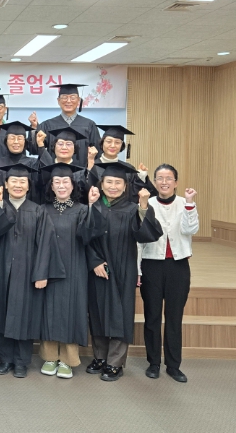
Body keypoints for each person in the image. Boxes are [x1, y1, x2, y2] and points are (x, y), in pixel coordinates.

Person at [85, 161, 163, 382]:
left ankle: (115, 363)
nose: (113, 186)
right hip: (98, 268)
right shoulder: (94, 206)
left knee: (120, 313)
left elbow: (147, 235)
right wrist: (94, 262)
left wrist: (144, 206)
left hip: (123, 269)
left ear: (125, 186)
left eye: (118, 183)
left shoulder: (131, 208)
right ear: (101, 184)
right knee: (98, 312)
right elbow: (84, 236)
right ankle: (100, 357)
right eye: (109, 182)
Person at [0, 164, 63, 378]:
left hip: (28, 272)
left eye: (22, 182)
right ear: (6, 184)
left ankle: (21, 361)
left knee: (25, 315)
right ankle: (5, 359)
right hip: (2, 269)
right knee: (2, 313)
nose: (18, 185)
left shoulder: (38, 211)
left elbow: (46, 244)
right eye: (14, 181)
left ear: (28, 186)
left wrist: (41, 273)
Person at [38, 163, 104, 379]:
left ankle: (67, 360)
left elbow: (89, 236)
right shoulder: (43, 210)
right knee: (48, 312)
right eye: (56, 182)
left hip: (74, 268)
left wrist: (92, 205)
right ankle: (49, 357)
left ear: (73, 185)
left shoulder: (82, 209)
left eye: (65, 181)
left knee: (71, 311)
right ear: (51, 186)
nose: (61, 185)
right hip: (49, 268)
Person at [139, 164, 198, 383]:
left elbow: (190, 229)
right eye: (160, 178)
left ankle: (173, 365)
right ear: (154, 182)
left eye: (169, 178)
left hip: (178, 266)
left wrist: (190, 204)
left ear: (176, 182)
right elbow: (139, 240)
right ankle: (153, 363)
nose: (164, 182)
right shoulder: (147, 203)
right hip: (151, 265)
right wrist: (138, 270)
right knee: (152, 316)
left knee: (174, 317)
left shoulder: (185, 203)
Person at [27, 83, 101, 167]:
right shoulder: (48, 125)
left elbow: (98, 152)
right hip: (54, 173)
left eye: (72, 97)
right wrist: (34, 128)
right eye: (64, 97)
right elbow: (34, 150)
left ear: (78, 100)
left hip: (81, 173)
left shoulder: (89, 125)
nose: (68, 101)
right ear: (58, 100)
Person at [88, 125, 157, 202]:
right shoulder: (91, 165)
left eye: (117, 142)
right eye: (109, 141)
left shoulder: (128, 169)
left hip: (123, 209)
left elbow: (136, 196)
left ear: (122, 145)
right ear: (102, 143)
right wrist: (90, 168)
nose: (113, 145)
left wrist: (141, 177)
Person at [38, 127, 91, 203]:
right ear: (54, 146)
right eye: (60, 144)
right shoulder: (44, 167)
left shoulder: (81, 172)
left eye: (69, 144)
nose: (64, 147)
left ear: (75, 148)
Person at [0, 121, 42, 204]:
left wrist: (41, 146)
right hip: (4, 208)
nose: (16, 142)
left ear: (25, 142)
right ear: (6, 141)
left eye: (19, 138)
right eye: (12, 138)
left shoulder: (33, 163)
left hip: (29, 208)